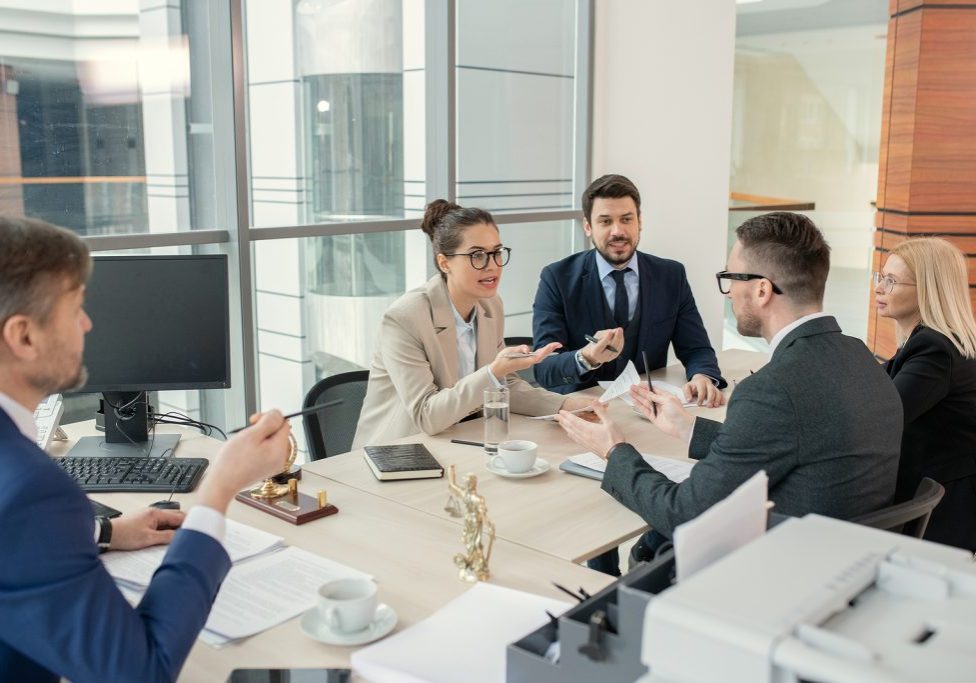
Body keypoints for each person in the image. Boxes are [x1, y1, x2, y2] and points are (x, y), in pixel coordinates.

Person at [0, 216, 293, 683]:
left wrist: (105, 533)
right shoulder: (30, 488)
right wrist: (217, 491)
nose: (88, 323)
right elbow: (140, 672)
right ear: (24, 336)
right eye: (76, 307)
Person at [557, 212, 902, 563]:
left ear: (762, 289)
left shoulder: (772, 390)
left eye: (730, 278)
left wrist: (615, 451)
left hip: (779, 572)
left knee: (652, 548)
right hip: (850, 563)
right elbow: (785, 441)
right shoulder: (862, 359)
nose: (728, 294)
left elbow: (685, 515)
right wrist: (688, 427)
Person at [353, 200, 589, 447]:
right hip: (399, 454)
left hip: (460, 443)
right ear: (445, 263)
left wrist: (565, 406)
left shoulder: (490, 305)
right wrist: (494, 371)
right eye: (477, 255)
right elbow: (427, 415)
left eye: (497, 253)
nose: (492, 266)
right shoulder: (405, 318)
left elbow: (505, 385)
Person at [532, 174, 726, 404]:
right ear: (587, 226)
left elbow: (696, 348)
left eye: (626, 219)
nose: (618, 231)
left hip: (650, 411)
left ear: (639, 221)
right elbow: (543, 369)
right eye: (605, 221)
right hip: (584, 411)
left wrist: (702, 375)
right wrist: (587, 357)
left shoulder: (671, 275)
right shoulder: (556, 278)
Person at [874, 237, 976, 551]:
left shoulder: (935, 349)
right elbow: (879, 385)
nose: (879, 288)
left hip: (945, 508)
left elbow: (881, 417)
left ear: (928, 290)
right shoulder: (927, 341)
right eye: (881, 277)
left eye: (891, 281)